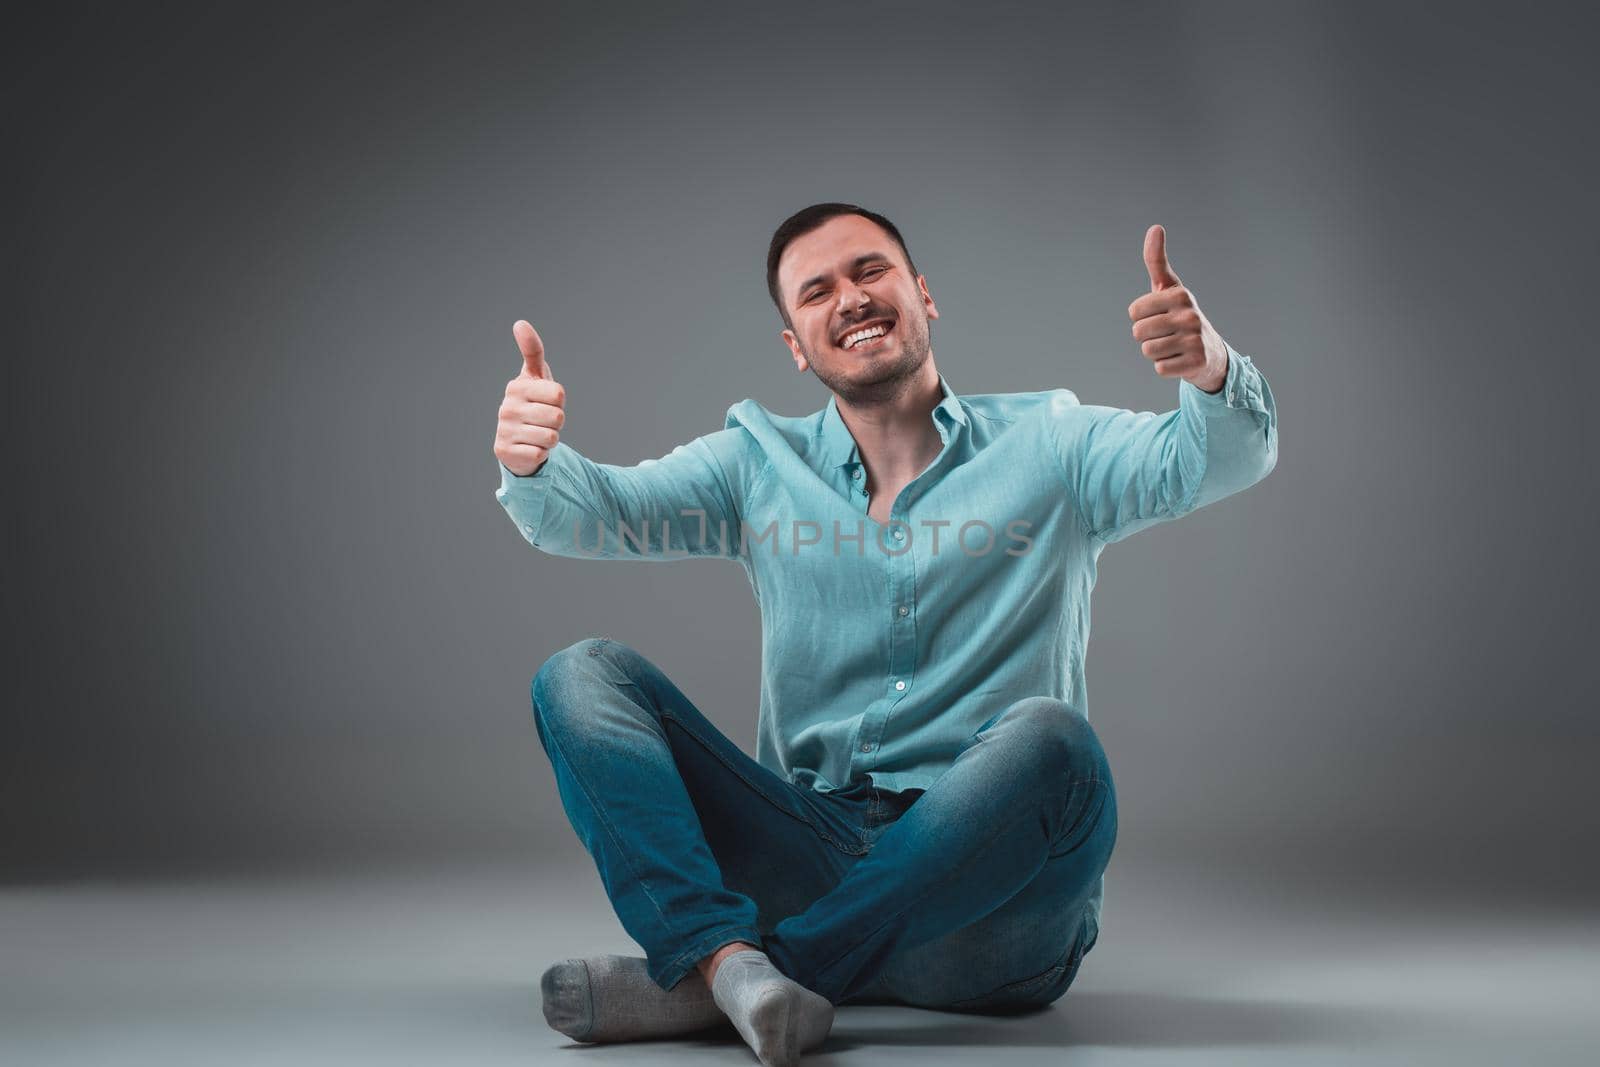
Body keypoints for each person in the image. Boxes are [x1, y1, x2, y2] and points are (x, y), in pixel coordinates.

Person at [492, 203, 1279, 1066]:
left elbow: (1222, 457)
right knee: (581, 674)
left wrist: (1209, 372)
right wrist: (532, 461)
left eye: (871, 271)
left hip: (991, 910)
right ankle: (731, 961)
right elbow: (594, 513)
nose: (852, 298)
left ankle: (723, 978)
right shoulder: (756, 461)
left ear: (923, 294)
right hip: (807, 853)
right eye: (818, 289)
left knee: (1055, 741)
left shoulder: (1055, 441)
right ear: (795, 342)